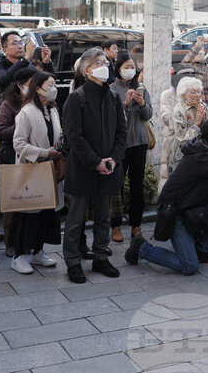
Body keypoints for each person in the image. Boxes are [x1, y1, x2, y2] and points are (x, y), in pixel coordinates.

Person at [126, 119, 208, 274]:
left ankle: (200, 249)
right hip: (174, 210)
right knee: (189, 266)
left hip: (192, 202)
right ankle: (141, 248)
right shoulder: (201, 157)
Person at [61, 47, 127, 284]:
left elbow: (122, 132)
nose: (105, 65)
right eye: (98, 62)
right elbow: (74, 137)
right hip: (83, 169)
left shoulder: (113, 97)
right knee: (76, 219)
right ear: (87, 70)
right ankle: (73, 261)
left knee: (104, 217)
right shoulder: (76, 98)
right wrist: (95, 161)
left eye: (105, 61)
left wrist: (114, 159)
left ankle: (100, 256)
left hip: (108, 167)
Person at [8, 71, 64, 273]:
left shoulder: (52, 110)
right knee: (28, 213)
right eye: (50, 85)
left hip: (50, 169)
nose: (53, 88)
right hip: (31, 170)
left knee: (48, 212)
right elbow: (18, 143)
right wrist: (42, 152)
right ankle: (19, 255)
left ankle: (38, 251)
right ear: (38, 88)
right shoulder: (27, 112)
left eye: (54, 84)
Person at [0, 65, 39, 256]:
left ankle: (29, 243)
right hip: (13, 158)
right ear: (20, 85)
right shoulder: (9, 104)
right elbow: (0, 131)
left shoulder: (40, 103)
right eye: (32, 83)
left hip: (34, 158)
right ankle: (10, 244)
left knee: (32, 204)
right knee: (13, 204)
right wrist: (23, 125)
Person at [109, 53, 152, 243]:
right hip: (119, 145)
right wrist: (125, 105)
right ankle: (115, 226)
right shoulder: (110, 89)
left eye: (132, 67)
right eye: (126, 66)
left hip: (139, 142)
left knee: (137, 186)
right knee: (116, 186)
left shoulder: (140, 87)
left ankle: (136, 225)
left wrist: (142, 103)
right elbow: (110, 117)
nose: (130, 70)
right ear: (118, 68)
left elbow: (149, 114)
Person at [169, 76, 208, 174]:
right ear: (183, 95)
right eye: (193, 92)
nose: (198, 95)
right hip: (183, 155)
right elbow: (182, 139)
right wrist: (197, 123)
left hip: (203, 153)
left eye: (199, 91)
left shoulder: (204, 107)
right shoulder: (179, 111)